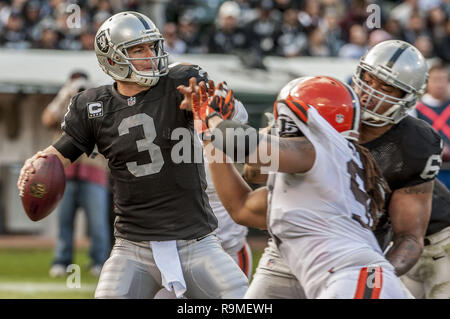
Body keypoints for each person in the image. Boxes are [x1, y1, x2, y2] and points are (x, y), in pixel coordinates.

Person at [18, 11, 248, 299]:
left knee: (243, 301)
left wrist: (208, 108)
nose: (150, 55)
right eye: (138, 49)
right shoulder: (93, 105)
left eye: (152, 46)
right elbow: (60, 154)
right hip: (132, 247)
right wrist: (38, 163)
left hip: (196, 241)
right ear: (113, 58)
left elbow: (233, 119)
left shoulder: (180, 82)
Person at [243, 40, 445, 299]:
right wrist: (277, 135)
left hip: (352, 257)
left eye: (387, 88)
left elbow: (409, 236)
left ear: (407, 99)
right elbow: (254, 173)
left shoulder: (415, 144)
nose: (370, 94)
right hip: (289, 252)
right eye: (368, 80)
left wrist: (377, 277)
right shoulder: (326, 106)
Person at [180, 75, 407, 298]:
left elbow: (244, 145)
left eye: (278, 120)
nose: (273, 126)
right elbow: (241, 207)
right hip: (342, 278)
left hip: (353, 279)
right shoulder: (320, 175)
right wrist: (208, 134)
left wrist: (211, 115)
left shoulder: (317, 149)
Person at [41, 71, 111, 278]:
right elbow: (47, 120)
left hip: (94, 172)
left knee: (98, 224)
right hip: (65, 174)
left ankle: (100, 261)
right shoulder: (64, 105)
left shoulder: (97, 105)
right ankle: (62, 262)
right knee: (64, 222)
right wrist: (65, 96)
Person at [402, 61, 450, 298]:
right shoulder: (415, 110)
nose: (440, 84)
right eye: (436, 79)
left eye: (444, 80)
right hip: (428, 175)